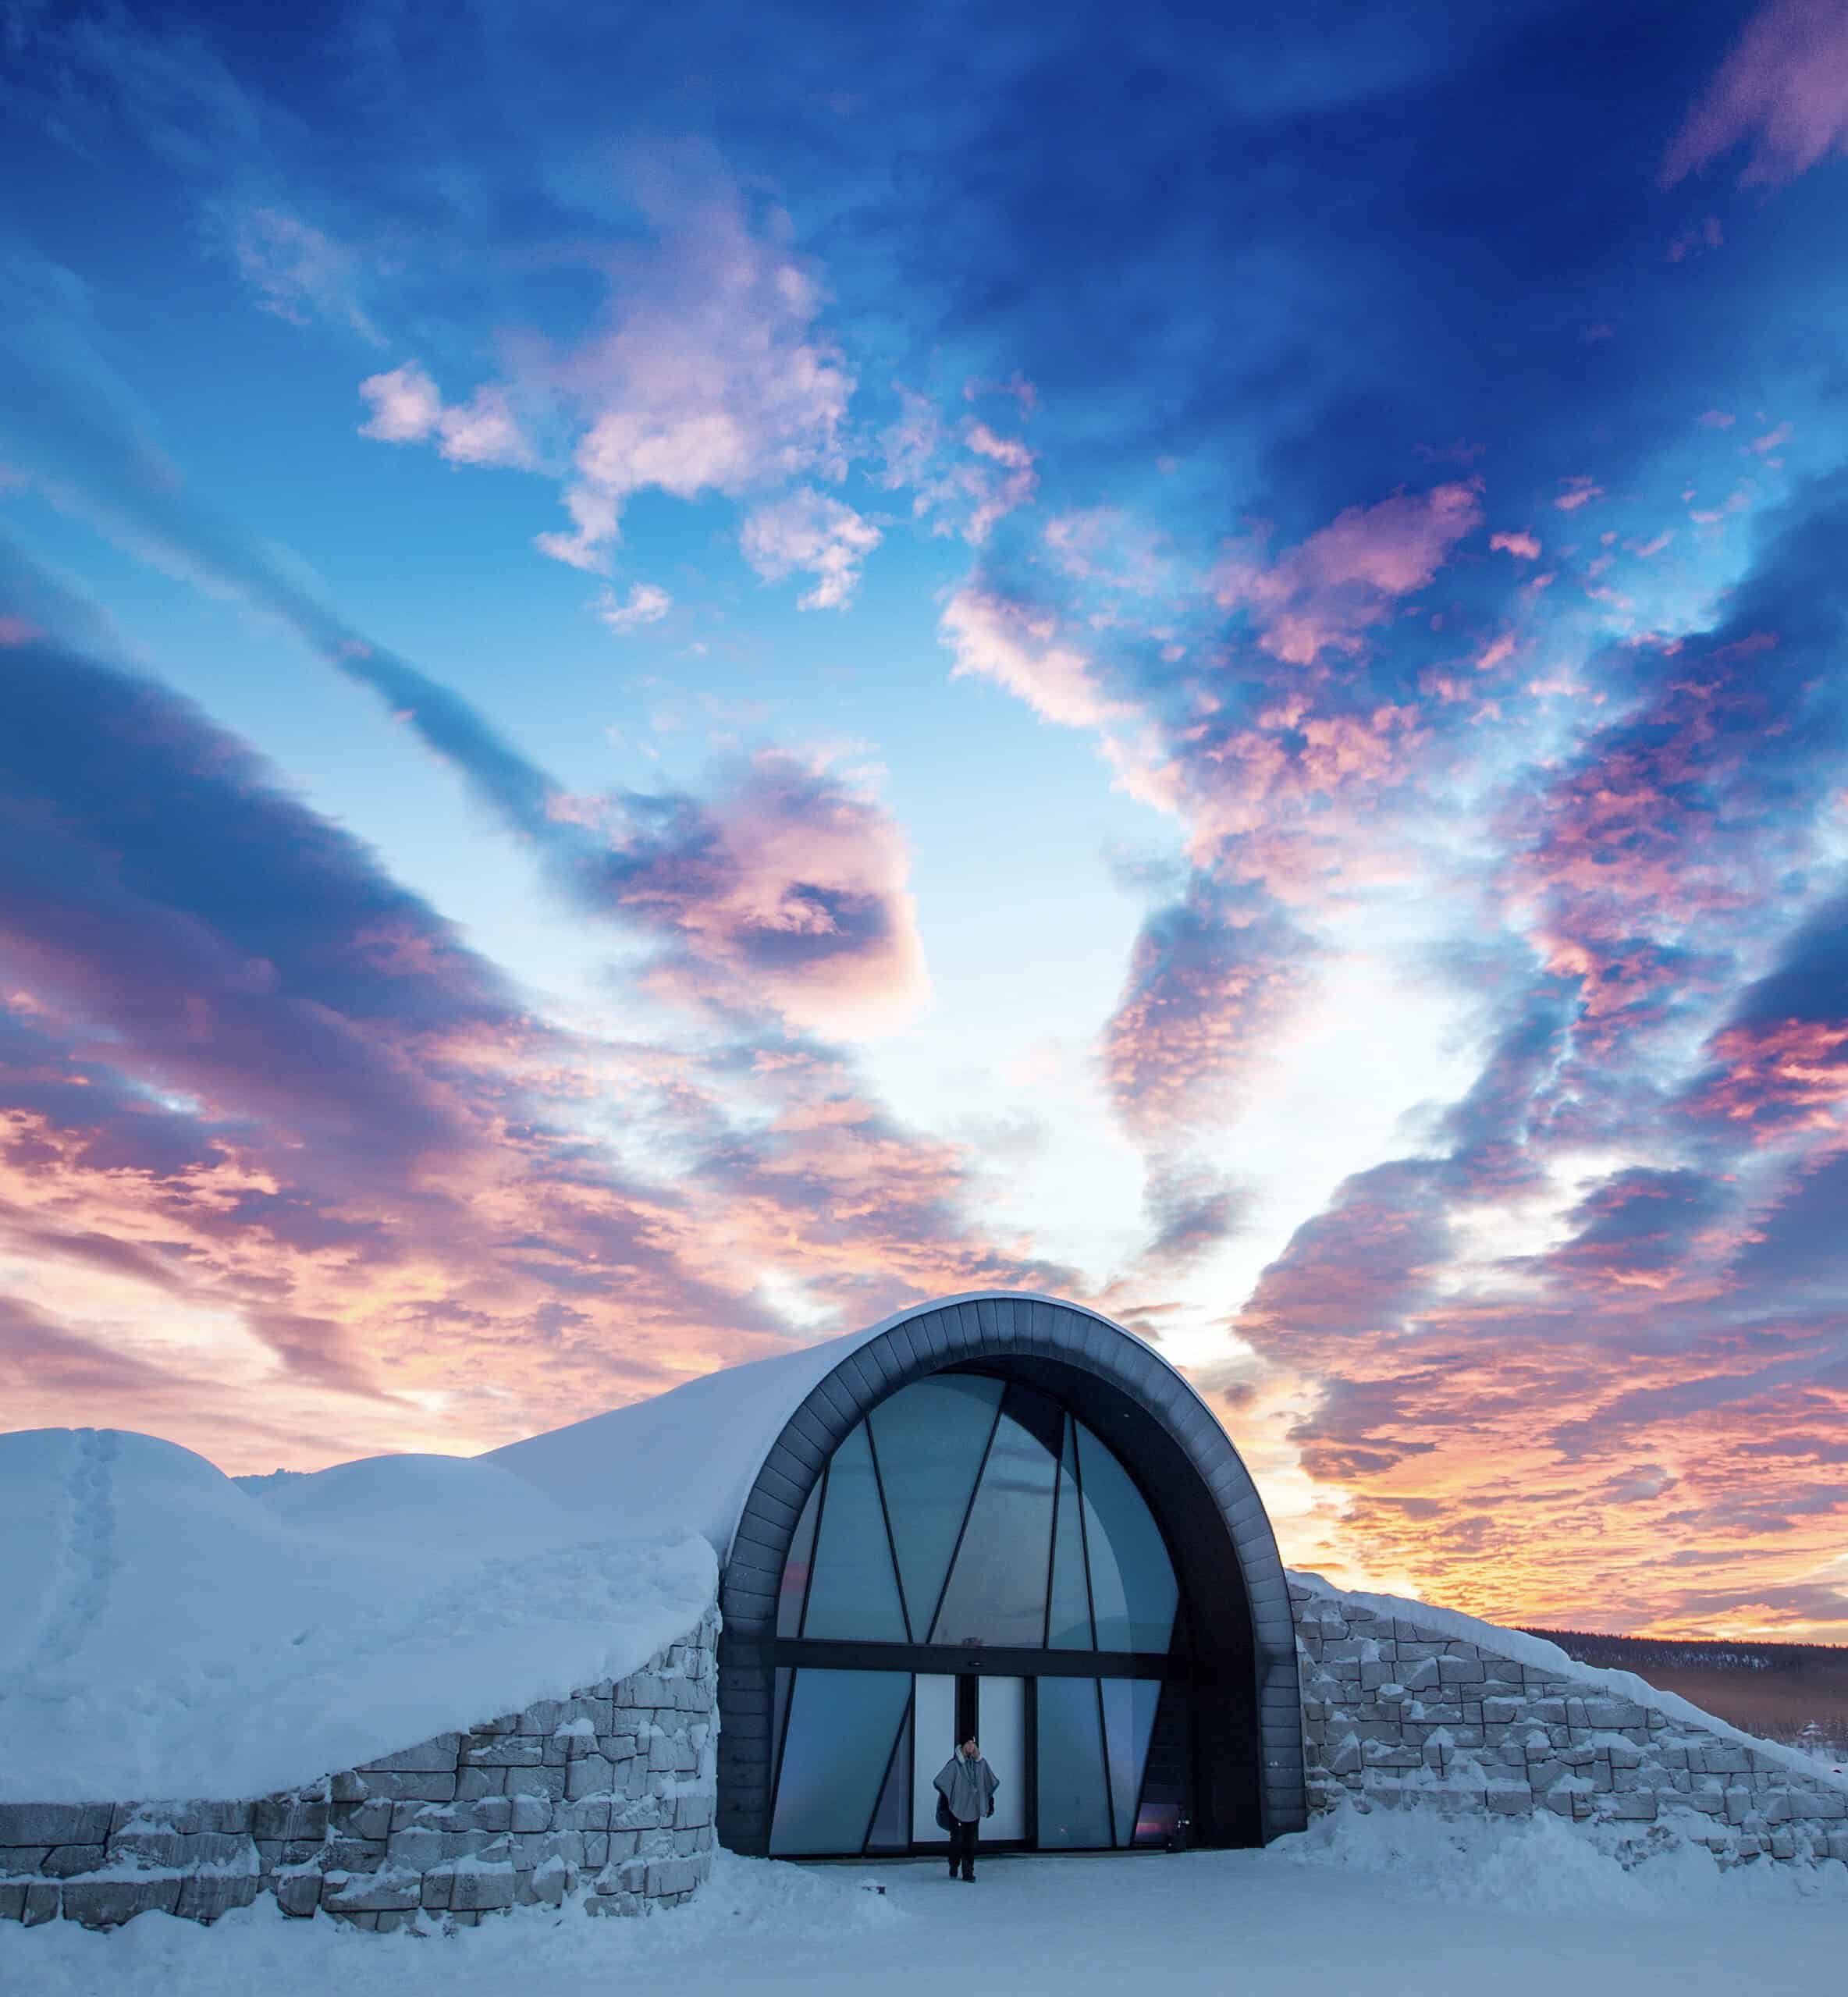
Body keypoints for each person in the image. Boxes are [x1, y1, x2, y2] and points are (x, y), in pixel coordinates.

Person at [932, 1736, 997, 1881]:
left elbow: (987, 1785)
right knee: (957, 1840)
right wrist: (945, 1805)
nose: (970, 1746)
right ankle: (954, 1864)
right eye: (968, 1743)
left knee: (971, 1842)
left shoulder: (981, 1764)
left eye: (973, 1744)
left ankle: (968, 1872)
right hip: (956, 1809)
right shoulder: (954, 1765)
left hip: (974, 1808)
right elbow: (944, 1783)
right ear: (962, 1746)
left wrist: (989, 1803)